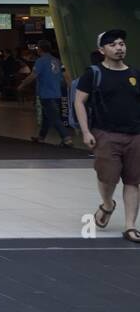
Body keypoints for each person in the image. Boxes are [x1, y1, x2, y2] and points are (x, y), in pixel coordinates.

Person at [74, 30, 140, 244]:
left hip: (135, 135)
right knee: (107, 178)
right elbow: (79, 101)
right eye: (113, 44)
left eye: (122, 43)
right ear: (102, 50)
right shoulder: (93, 73)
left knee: (133, 181)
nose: (119, 47)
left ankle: (130, 226)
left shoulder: (135, 75)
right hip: (105, 133)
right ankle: (108, 204)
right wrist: (85, 131)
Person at [22, 39, 71, 147]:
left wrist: (22, 84)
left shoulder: (40, 61)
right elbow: (65, 74)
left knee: (54, 117)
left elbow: (33, 75)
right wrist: (70, 86)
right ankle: (41, 137)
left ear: (40, 49)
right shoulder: (57, 60)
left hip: (46, 94)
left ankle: (66, 138)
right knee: (47, 116)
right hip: (57, 93)